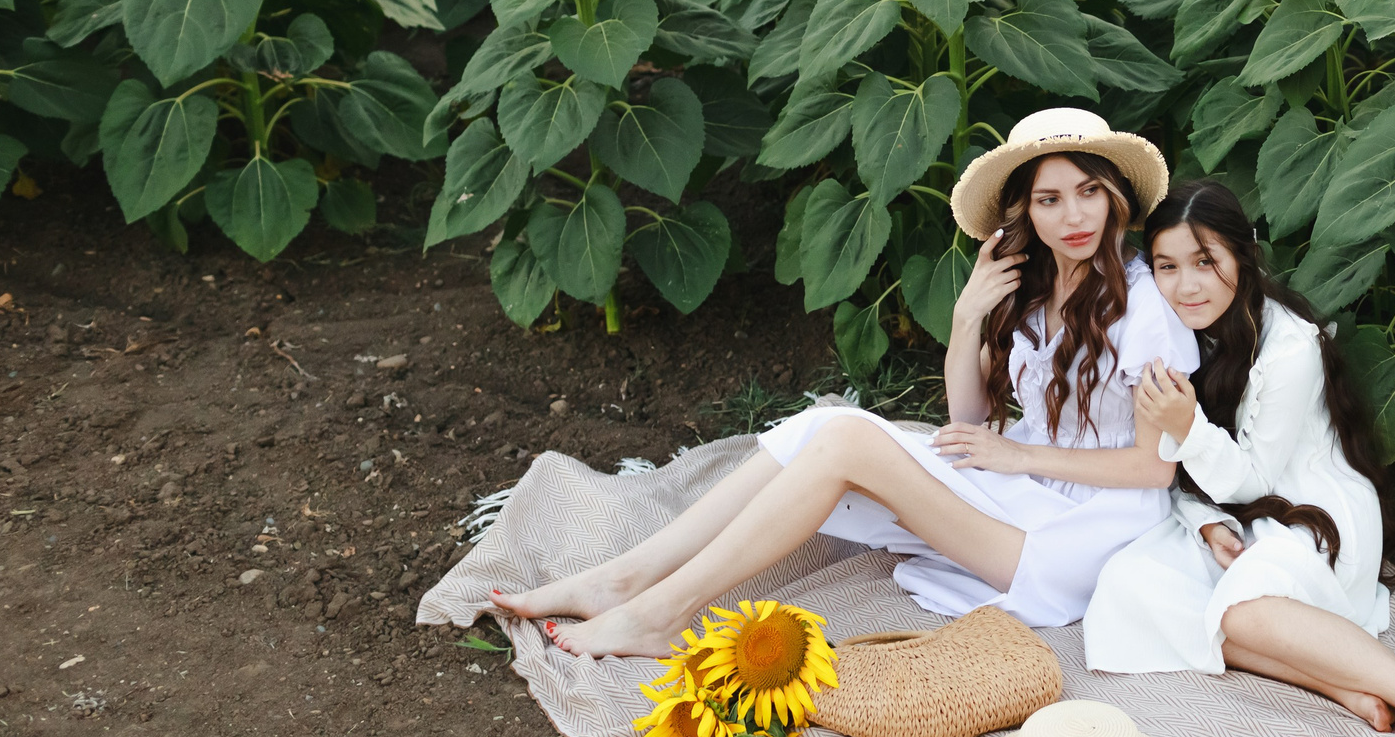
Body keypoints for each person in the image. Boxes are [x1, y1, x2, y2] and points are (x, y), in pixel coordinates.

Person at [498, 108, 1194, 657]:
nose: (1074, 217)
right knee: (819, 426)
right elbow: (965, 417)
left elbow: (1154, 468)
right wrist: (965, 317)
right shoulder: (1033, 288)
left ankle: (661, 614)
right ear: (1025, 212)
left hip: (1082, 537)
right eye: (1049, 199)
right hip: (1023, 496)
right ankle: (623, 578)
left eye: (1089, 193)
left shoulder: (1145, 310)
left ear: (1115, 198)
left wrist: (1018, 454)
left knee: (849, 440)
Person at [1081, 181, 1395, 737]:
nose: (1186, 285)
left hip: (1313, 517)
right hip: (1236, 515)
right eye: (1167, 266)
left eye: (1205, 261)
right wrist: (1206, 521)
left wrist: (1187, 427)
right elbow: (1182, 472)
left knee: (1239, 615)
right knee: (1126, 587)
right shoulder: (1172, 328)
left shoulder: (1289, 346)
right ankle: (1336, 682)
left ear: (1244, 255)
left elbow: (1254, 478)